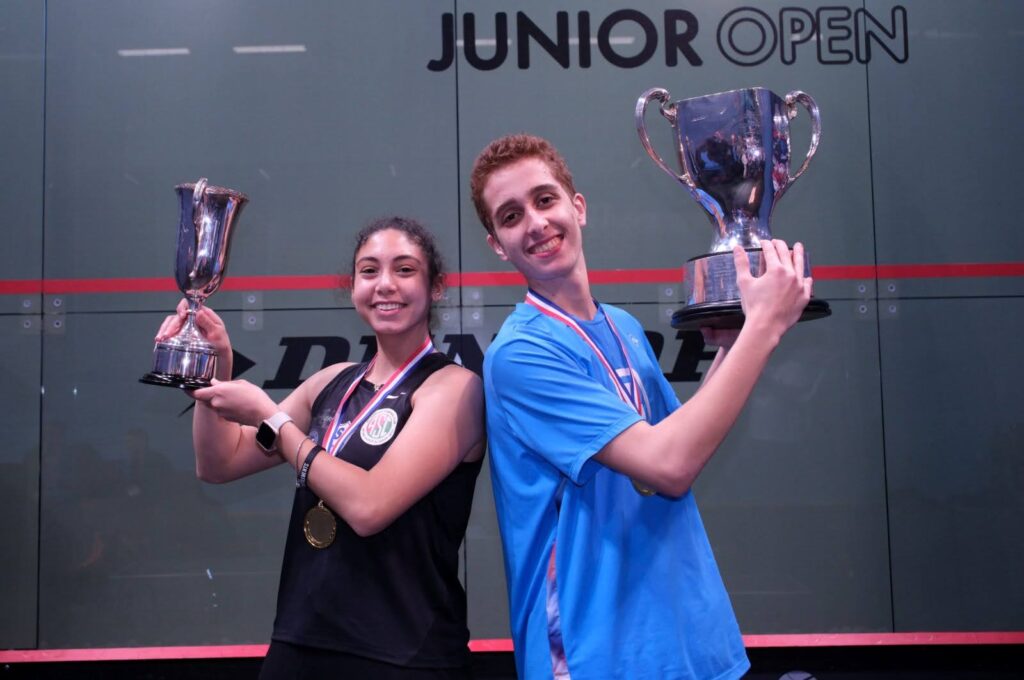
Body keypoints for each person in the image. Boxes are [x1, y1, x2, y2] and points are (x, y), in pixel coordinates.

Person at [470, 134, 813, 679]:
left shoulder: (622, 328)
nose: (535, 223)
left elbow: (681, 438)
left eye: (544, 199)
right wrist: (763, 330)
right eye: (511, 216)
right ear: (497, 243)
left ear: (577, 206)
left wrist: (733, 344)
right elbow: (669, 467)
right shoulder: (521, 354)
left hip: (689, 637)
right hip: (597, 654)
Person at [155, 217, 486, 679]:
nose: (385, 284)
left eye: (405, 270)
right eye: (369, 271)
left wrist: (275, 420)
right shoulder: (332, 381)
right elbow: (219, 462)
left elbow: (369, 507)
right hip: (302, 642)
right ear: (352, 287)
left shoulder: (454, 388)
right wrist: (217, 374)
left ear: (435, 287)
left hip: (404, 654)